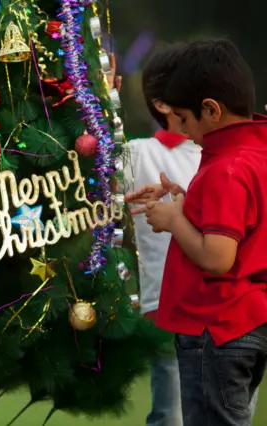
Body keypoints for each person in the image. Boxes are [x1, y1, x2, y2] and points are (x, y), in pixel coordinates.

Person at [137, 39, 267, 426]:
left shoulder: (225, 168)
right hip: (247, 322)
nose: (179, 130)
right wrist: (185, 202)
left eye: (182, 118)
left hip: (217, 326)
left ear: (211, 110)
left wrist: (174, 220)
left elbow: (218, 257)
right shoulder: (256, 154)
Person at [126, 44, 202, 426]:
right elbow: (97, 171)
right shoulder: (139, 154)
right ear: (161, 103)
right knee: (171, 413)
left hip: (225, 300)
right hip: (166, 301)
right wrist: (99, 109)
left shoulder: (222, 154)